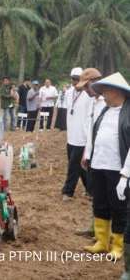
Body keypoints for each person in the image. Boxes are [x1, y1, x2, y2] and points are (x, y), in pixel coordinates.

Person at [80, 72, 130, 261]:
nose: (103, 95)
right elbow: (95, 135)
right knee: (99, 203)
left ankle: (117, 245)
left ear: (117, 91)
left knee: (119, 207)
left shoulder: (128, 112)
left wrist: (125, 175)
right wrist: (88, 155)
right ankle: (102, 241)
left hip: (118, 168)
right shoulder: (105, 111)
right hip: (99, 165)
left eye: (106, 91)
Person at [77, 67, 104, 237]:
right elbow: (90, 131)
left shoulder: (108, 102)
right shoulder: (94, 102)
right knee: (95, 193)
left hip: (105, 156)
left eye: (87, 87)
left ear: (95, 83)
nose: (85, 91)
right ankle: (94, 227)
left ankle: (103, 232)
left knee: (104, 195)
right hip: (93, 154)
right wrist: (86, 153)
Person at [61, 68, 93, 201]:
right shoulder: (68, 93)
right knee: (78, 166)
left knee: (73, 165)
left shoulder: (88, 95)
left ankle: (68, 192)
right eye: (73, 79)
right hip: (71, 136)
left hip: (82, 137)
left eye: (77, 79)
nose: (74, 82)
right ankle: (91, 190)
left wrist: (89, 137)